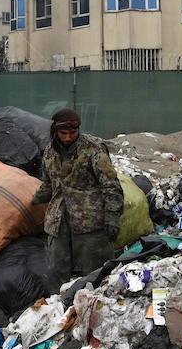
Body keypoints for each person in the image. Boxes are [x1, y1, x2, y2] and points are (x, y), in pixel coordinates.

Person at [31, 108, 123, 288]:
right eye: (63, 133)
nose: (67, 137)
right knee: (55, 273)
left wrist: (112, 216)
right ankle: (57, 309)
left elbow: (111, 185)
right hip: (58, 222)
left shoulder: (93, 149)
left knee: (94, 274)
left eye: (72, 133)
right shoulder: (49, 152)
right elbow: (49, 183)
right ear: (56, 132)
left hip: (89, 222)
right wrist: (35, 199)